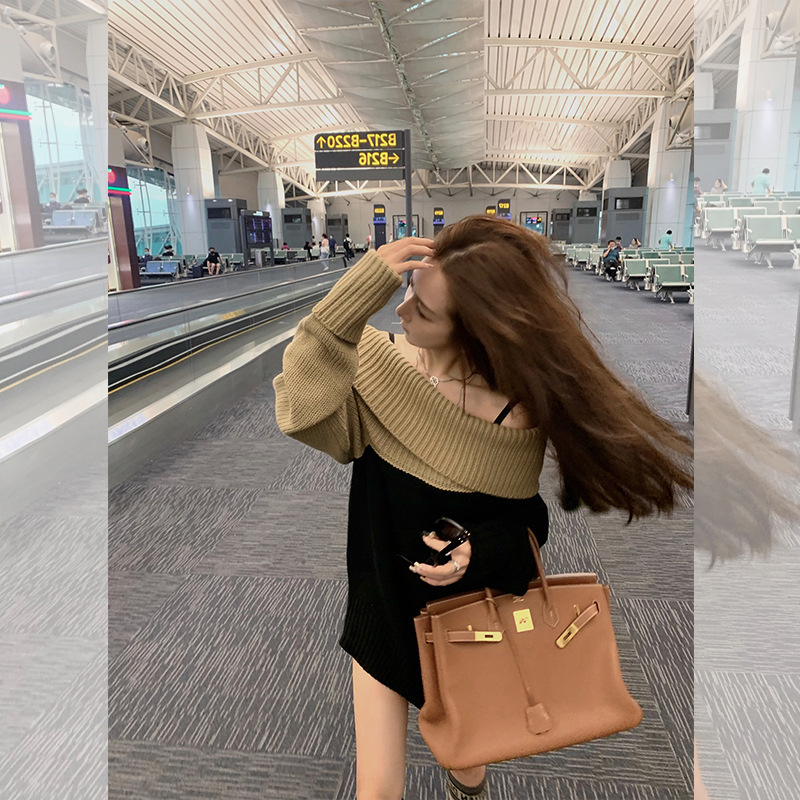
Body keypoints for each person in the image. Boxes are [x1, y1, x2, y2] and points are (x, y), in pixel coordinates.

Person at [274, 216, 693, 800]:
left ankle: (466, 778)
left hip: (466, 618)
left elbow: (526, 524)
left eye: (424, 310)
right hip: (383, 603)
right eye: (407, 292)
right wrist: (346, 305)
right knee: (377, 788)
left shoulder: (512, 414)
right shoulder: (374, 364)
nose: (402, 312)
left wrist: (478, 549)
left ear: (472, 332)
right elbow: (300, 414)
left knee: (469, 762)